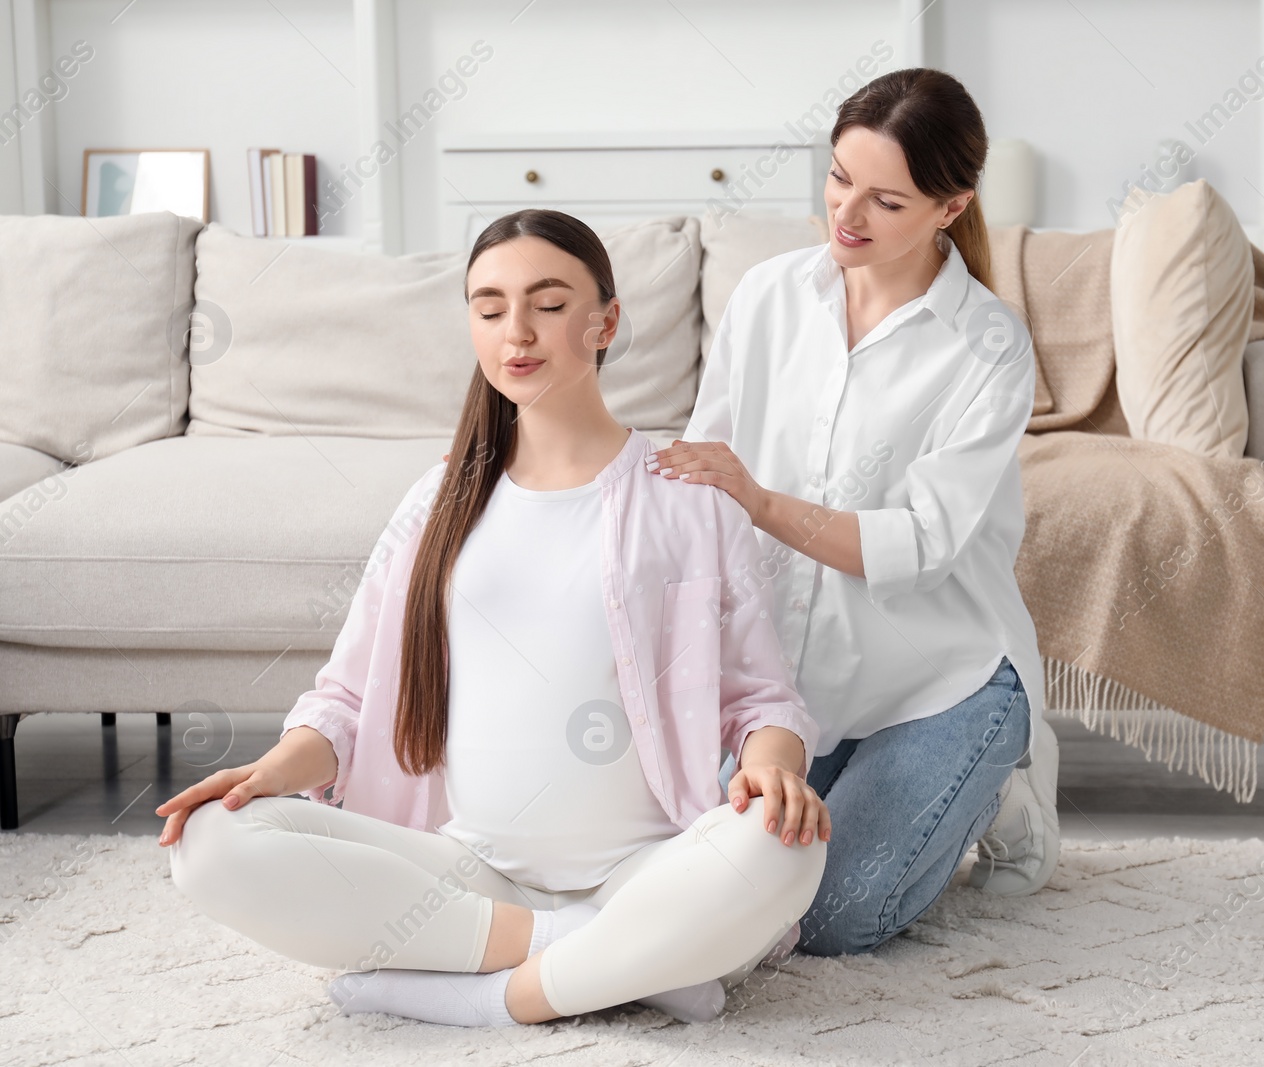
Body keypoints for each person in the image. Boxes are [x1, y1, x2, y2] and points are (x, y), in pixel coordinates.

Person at [155, 209, 829, 1027]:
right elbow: (345, 701)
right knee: (208, 842)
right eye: (488, 306)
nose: (518, 331)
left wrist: (776, 768)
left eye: (548, 304)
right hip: (465, 869)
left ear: (606, 321)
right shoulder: (435, 502)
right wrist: (271, 771)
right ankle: (606, 953)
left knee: (786, 844)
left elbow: (763, 701)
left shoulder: (687, 496)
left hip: (645, 867)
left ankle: (494, 996)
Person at [647, 67, 1061, 957]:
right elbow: (704, 478)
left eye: (886, 200)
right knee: (719, 884)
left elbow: (918, 545)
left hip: (938, 678)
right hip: (797, 688)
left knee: (833, 918)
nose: (847, 214)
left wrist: (757, 499)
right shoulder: (768, 296)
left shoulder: (988, 346)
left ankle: (997, 790)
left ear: (950, 208)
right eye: (839, 177)